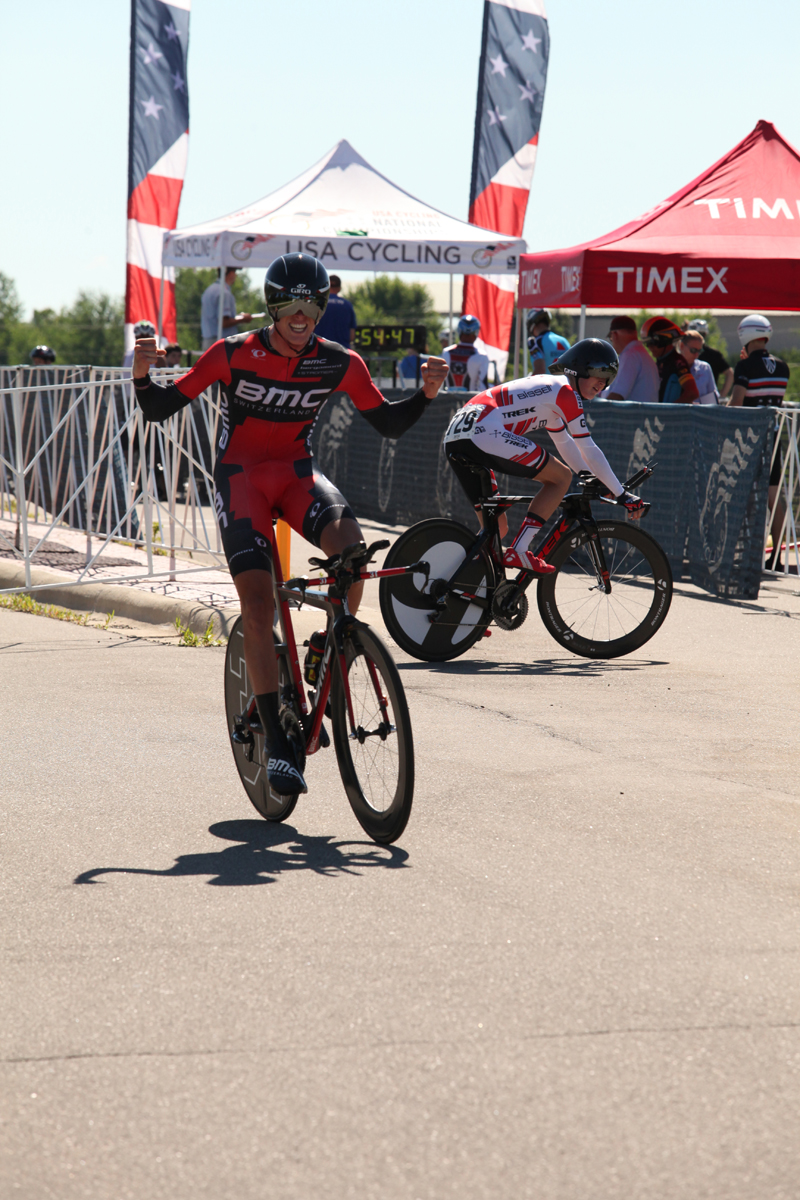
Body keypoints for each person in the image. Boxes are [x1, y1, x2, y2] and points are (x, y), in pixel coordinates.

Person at [131, 253, 448, 795]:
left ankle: (330, 647)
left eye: (312, 303)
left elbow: (389, 423)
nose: (300, 315)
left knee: (354, 555)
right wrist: (141, 375)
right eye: (288, 303)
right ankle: (279, 738)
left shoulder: (339, 361)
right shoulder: (231, 354)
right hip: (242, 481)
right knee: (258, 604)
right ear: (271, 306)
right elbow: (162, 407)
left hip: (299, 476)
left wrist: (426, 395)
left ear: (323, 306)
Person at [443, 338, 646, 574]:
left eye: (608, 378)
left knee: (497, 527)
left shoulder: (550, 390)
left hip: (456, 436)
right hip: (484, 430)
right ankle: (519, 550)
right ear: (577, 369)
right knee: (560, 478)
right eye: (599, 373)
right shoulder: (565, 392)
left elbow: (565, 444)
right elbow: (587, 447)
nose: (602, 383)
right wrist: (622, 494)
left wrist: (592, 478)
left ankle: (456, 580)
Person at [729, 314, 790, 570]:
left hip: (749, 439)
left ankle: (738, 553)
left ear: (744, 335)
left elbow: (736, 404)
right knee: (774, 495)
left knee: (739, 493)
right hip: (773, 435)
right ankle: (777, 556)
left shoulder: (745, 367)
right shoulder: (784, 366)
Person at [640, 317, 700, 404]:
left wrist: (669, 411)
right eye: (647, 343)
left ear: (664, 341)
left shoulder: (678, 362)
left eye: (651, 343)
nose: (649, 347)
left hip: (670, 416)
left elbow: (692, 393)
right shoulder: (660, 361)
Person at [603, 316, 659, 403]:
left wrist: (598, 411)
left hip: (634, 415)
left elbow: (617, 395)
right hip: (644, 414)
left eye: (610, 338)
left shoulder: (630, 355)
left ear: (614, 335)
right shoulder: (640, 353)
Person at [201, 267, 253, 350]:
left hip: (208, 341)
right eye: (234, 271)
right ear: (230, 273)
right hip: (220, 343)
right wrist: (243, 319)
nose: (236, 275)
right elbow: (224, 322)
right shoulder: (224, 293)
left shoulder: (209, 290)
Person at [684, 319, 734, 399]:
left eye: (701, 334)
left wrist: (721, 396)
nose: (696, 354)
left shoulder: (710, 360)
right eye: (693, 350)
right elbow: (730, 373)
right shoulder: (714, 354)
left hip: (705, 404)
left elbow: (729, 373)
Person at [442, 315, 489, 391]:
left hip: (448, 400)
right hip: (470, 401)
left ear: (459, 331)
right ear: (476, 332)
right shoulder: (481, 355)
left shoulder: (446, 352)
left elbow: (441, 383)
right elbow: (482, 387)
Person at [312, 274, 357, 347]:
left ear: (326, 287)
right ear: (339, 288)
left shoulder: (317, 303)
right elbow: (352, 336)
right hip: (342, 351)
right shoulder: (347, 305)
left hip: (319, 350)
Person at [679, 331, 719, 404]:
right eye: (693, 350)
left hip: (701, 414)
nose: (697, 355)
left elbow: (712, 401)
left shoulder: (704, 368)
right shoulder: (670, 367)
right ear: (681, 346)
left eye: (699, 351)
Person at [527, 309, 570, 375]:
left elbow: (540, 370)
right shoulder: (564, 341)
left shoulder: (535, 342)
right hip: (564, 384)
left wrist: (528, 381)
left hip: (546, 384)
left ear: (531, 325)